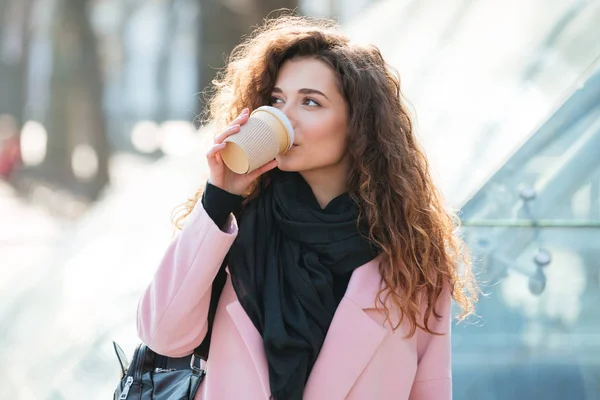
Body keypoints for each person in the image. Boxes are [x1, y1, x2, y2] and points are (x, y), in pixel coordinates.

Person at [137, 14, 478, 400]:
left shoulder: (411, 258)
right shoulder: (235, 228)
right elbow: (163, 334)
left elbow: (429, 390)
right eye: (277, 100)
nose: (284, 117)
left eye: (311, 102)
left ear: (358, 124)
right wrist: (219, 198)